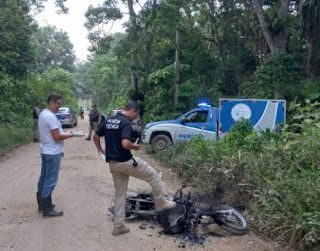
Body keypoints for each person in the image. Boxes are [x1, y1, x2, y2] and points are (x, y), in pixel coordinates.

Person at [93, 102, 176, 236]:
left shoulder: (109, 120)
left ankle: (118, 226)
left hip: (113, 164)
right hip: (126, 162)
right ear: (133, 110)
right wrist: (135, 147)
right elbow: (125, 144)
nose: (136, 118)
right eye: (136, 114)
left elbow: (95, 136)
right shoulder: (125, 123)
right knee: (154, 176)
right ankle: (160, 202)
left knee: (120, 194)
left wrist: (100, 150)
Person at [36, 93, 75, 217]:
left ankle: (42, 204)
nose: (59, 107)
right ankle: (47, 210)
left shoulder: (42, 114)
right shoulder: (51, 117)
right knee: (50, 180)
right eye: (58, 104)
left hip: (45, 150)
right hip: (53, 152)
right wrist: (71, 134)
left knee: (43, 177)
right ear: (51, 102)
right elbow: (57, 136)